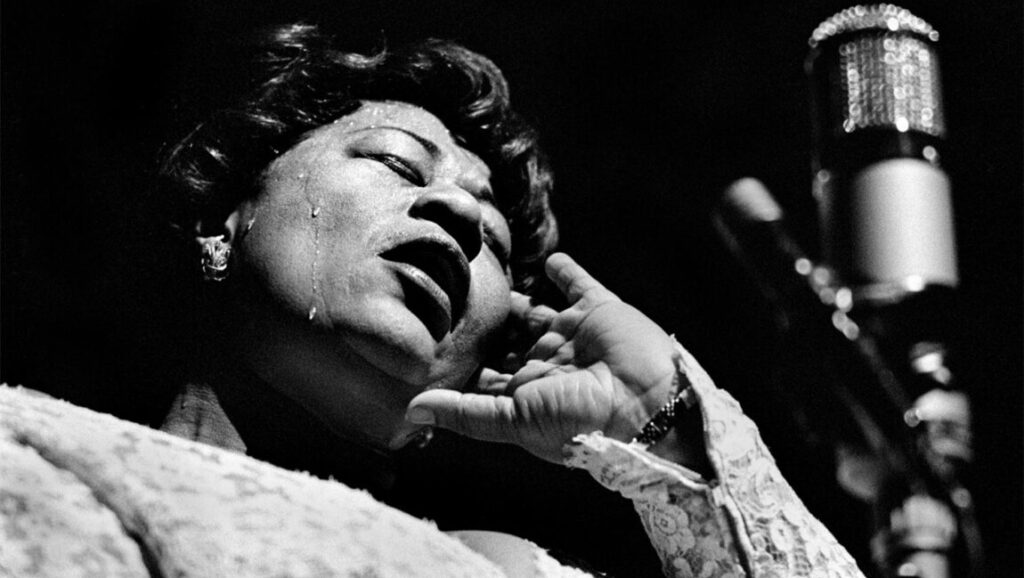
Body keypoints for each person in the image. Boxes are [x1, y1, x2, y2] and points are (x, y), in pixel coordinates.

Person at [0, 24, 864, 577]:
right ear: (223, 219)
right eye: (395, 164)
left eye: (490, 234)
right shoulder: (21, 447)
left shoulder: (495, 572)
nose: (454, 209)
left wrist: (664, 424)